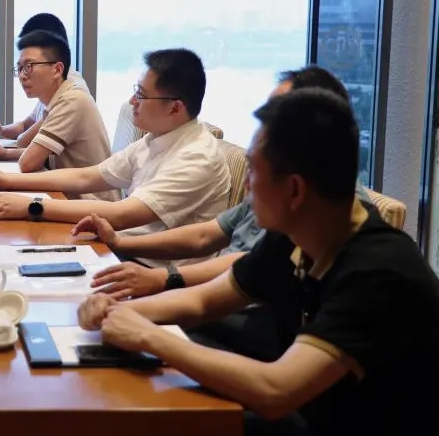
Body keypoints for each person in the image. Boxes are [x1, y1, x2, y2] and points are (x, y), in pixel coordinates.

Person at [76, 88, 439, 436]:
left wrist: (149, 337)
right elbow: (204, 301)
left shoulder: (378, 272)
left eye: (253, 171)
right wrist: (118, 311)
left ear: (295, 190)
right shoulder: (295, 233)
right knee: (133, 417)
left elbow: (274, 391)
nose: (246, 186)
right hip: (316, 435)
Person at [79, 66, 371, 300]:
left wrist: (161, 284)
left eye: (276, 117)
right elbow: (208, 237)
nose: (247, 183)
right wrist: (123, 245)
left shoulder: (326, 211)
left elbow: (237, 273)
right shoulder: (277, 186)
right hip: (213, 293)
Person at [0, 48, 229, 265]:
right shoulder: (156, 139)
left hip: (154, 269)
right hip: (121, 248)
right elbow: (87, 177)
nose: (132, 101)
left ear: (175, 108)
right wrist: (7, 181)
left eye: (141, 94)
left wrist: (31, 206)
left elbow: (120, 215)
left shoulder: (196, 157)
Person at [0, 30, 116, 200]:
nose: (21, 76)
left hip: (92, 205)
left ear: (57, 69)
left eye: (29, 66)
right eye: (19, 68)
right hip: (68, 197)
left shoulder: (71, 100)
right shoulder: (54, 99)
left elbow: (27, 163)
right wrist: (4, 154)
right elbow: (42, 154)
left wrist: (4, 174)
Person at [0, 12, 91, 151]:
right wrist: (0, 130)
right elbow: (26, 126)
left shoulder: (70, 91)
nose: (22, 75)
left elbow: (24, 141)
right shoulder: (50, 85)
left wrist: (4, 152)